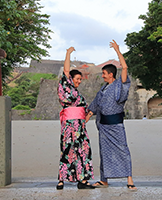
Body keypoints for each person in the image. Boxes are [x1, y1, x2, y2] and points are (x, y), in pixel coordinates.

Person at [86, 40, 137, 191]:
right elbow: (96, 103)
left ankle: (129, 179)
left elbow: (125, 67)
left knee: (123, 150)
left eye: (103, 73)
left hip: (116, 125)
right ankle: (104, 180)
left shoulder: (119, 85)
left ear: (111, 74)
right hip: (104, 126)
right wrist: (88, 115)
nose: (102, 76)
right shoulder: (103, 89)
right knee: (104, 152)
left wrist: (117, 50)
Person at [57, 47, 94, 190]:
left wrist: (89, 114)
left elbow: (84, 115)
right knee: (67, 150)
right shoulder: (66, 86)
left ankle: (83, 180)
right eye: (77, 79)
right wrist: (68, 54)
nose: (79, 81)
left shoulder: (78, 94)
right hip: (69, 125)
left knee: (83, 151)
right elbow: (66, 71)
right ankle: (61, 179)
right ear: (70, 79)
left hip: (80, 126)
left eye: (80, 79)